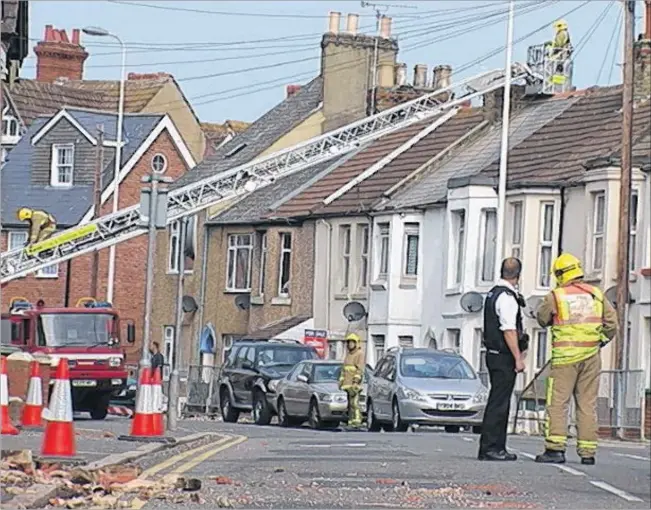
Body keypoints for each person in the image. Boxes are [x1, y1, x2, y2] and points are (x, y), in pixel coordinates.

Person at [534, 253, 617, 466]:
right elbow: (612, 324)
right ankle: (587, 452)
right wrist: (598, 341)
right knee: (587, 404)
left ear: (560, 274)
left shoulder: (557, 296)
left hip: (565, 359)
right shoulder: (596, 294)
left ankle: (555, 448)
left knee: (558, 403)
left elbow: (542, 319)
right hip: (591, 356)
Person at [478, 257, 529, 461]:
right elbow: (508, 330)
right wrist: (518, 358)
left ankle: (493, 446)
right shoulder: (507, 297)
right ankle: (493, 448)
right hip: (502, 356)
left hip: (492, 354)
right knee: (500, 402)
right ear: (517, 275)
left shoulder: (493, 293)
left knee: (497, 400)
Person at [338, 333, 364, 429]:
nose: (350, 344)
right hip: (347, 384)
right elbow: (344, 369)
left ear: (356, 343)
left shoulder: (359, 354)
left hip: (354, 385)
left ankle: (357, 421)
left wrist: (356, 381)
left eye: (352, 343)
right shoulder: (348, 355)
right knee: (349, 404)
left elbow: (359, 369)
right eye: (349, 343)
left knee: (355, 403)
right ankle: (350, 420)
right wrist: (341, 381)